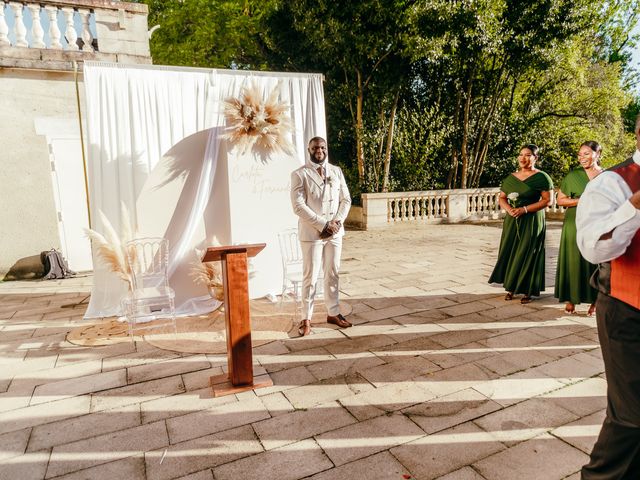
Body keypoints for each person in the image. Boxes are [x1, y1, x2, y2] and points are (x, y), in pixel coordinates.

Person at [576, 117, 640, 479]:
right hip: (628, 310)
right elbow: (594, 247)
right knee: (632, 417)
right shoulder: (612, 182)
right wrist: (635, 206)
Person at [290, 136, 352, 336]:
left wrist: (336, 223)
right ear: (309, 149)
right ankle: (305, 318)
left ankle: (333, 312)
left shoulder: (336, 171)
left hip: (334, 232)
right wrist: (322, 224)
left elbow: (346, 200)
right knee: (310, 276)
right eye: (316, 147)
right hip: (312, 233)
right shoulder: (300, 174)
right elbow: (298, 206)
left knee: (333, 272)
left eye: (323, 147)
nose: (320, 150)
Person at [489, 144, 553, 304]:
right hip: (512, 219)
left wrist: (524, 209)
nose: (523, 158)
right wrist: (509, 209)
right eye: (521, 154)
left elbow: (548, 201)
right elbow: (502, 197)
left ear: (535, 158)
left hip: (531, 220)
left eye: (528, 155)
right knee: (510, 250)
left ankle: (528, 290)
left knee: (528, 251)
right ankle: (510, 287)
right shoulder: (511, 177)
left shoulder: (543, 177)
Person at [554, 141, 603, 315]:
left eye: (587, 153)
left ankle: (596, 301)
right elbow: (560, 200)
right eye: (580, 154)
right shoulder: (572, 176)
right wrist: (582, 200)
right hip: (573, 223)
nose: (582, 158)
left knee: (596, 262)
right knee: (573, 260)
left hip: (598, 223)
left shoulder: (607, 176)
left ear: (597, 154)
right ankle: (571, 299)